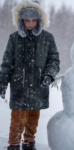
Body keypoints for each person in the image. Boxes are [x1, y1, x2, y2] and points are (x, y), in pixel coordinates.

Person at [0, 0, 60, 150]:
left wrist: (48, 75)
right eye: (27, 21)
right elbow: (7, 63)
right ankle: (13, 144)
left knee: (33, 118)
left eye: (34, 20)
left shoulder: (47, 38)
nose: (31, 24)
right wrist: (2, 82)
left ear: (40, 21)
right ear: (21, 21)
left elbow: (54, 60)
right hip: (19, 85)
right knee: (17, 118)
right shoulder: (14, 38)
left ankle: (29, 143)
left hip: (38, 85)